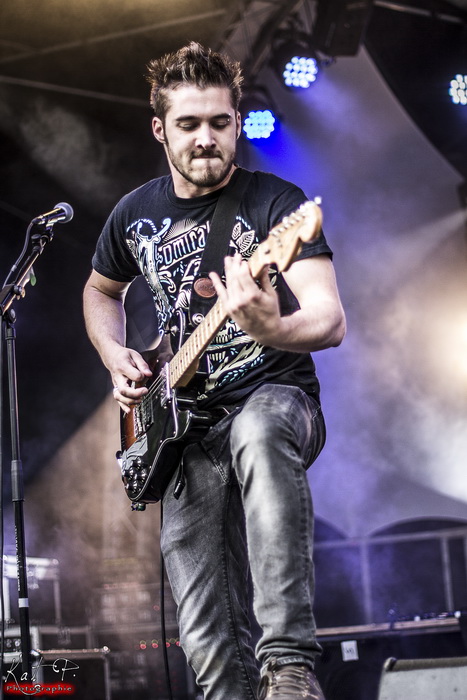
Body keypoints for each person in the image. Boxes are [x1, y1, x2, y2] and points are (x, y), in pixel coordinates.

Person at [83, 42, 346, 700]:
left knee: (259, 430)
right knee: (204, 630)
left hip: (276, 396)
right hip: (183, 430)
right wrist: (115, 354)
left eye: (219, 123)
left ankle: (289, 667)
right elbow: (100, 291)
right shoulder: (133, 214)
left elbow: (329, 320)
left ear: (236, 122)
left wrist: (271, 327)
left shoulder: (277, 204)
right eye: (188, 124)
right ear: (159, 129)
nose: (206, 138)